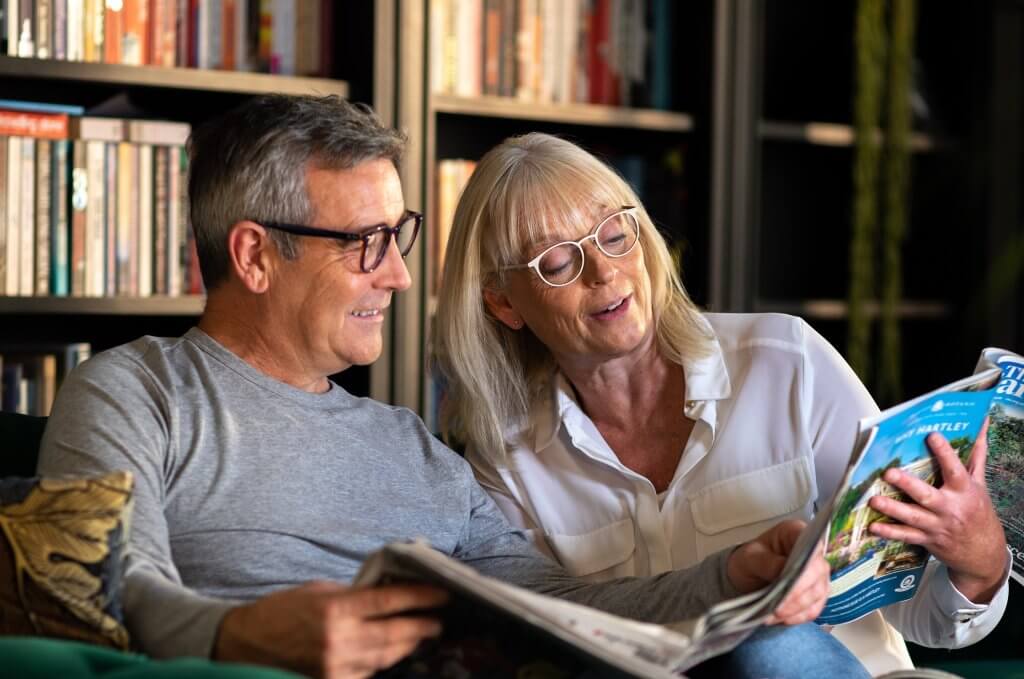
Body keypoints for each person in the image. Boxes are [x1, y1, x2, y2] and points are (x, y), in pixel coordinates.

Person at [37, 95, 866, 679]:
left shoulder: (417, 447)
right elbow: (101, 590)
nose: (399, 276)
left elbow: (562, 602)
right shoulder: (135, 394)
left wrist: (727, 579)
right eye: (366, 243)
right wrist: (240, 636)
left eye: (398, 237)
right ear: (254, 256)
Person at [430, 132, 1013, 677]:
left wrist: (980, 562)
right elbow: (538, 643)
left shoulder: (788, 362)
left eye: (614, 235)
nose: (605, 272)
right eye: (557, 263)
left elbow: (924, 617)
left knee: (768, 645)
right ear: (504, 304)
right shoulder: (506, 459)